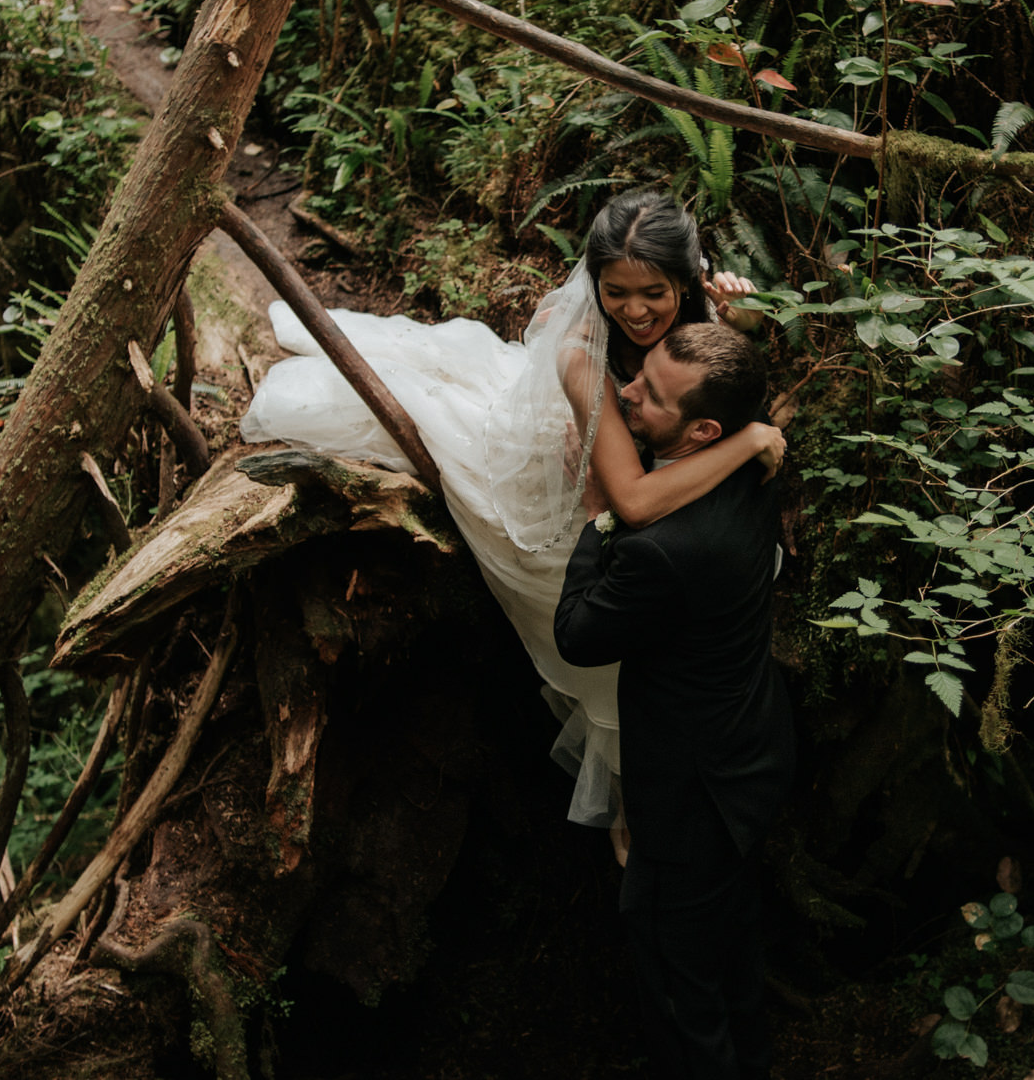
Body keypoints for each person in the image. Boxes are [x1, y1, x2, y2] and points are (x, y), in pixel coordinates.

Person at [239, 190, 784, 830]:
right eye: (615, 292)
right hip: (568, 493)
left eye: (655, 293)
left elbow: (720, 378)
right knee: (614, 643)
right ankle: (630, 803)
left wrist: (744, 323)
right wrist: (750, 439)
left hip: (642, 477)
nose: (636, 312)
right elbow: (630, 501)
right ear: (596, 284)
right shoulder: (585, 355)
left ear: (685, 279)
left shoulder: (700, 311)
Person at [554, 323, 797, 1080]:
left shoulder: (661, 549)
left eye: (650, 394)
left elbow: (577, 634)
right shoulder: (758, 468)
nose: (626, 390)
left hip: (690, 798)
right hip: (750, 756)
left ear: (704, 430)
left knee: (677, 979)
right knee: (733, 955)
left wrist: (601, 510)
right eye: (637, 375)